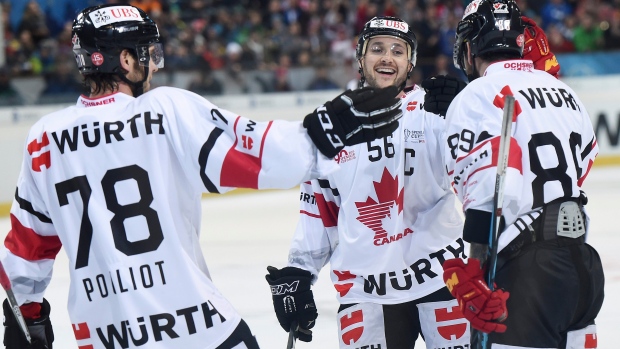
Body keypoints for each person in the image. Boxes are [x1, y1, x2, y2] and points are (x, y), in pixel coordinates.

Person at [0, 4, 404, 349]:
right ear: (125, 60)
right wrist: (323, 131)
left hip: (105, 335)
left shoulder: (44, 139)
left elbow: (24, 251)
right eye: (146, 54)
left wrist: (27, 319)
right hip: (191, 325)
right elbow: (258, 158)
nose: (152, 65)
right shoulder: (163, 110)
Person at [265, 16, 471, 349]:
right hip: (366, 287)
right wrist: (300, 270)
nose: (387, 57)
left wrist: (468, 112)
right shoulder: (333, 123)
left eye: (397, 51)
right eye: (377, 49)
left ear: (410, 63)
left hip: (442, 276)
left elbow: (481, 171)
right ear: (361, 59)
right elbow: (320, 207)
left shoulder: (434, 110)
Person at [440, 0, 604, 347]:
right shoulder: (564, 91)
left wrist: (475, 274)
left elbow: (488, 191)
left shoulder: (476, 96)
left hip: (527, 274)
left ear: (470, 48)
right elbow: (584, 163)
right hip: (583, 266)